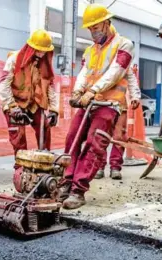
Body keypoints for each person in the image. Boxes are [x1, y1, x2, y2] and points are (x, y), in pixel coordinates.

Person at [58, 4, 135, 209]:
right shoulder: (91, 50)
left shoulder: (124, 45)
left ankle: (78, 189)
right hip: (89, 103)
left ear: (107, 22)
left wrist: (93, 91)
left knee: (94, 144)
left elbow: (116, 72)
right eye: (90, 29)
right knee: (72, 139)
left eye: (96, 27)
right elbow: (85, 72)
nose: (93, 32)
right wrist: (78, 91)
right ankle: (66, 182)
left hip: (108, 104)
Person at [0, 29, 59, 160]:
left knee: (44, 127)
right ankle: (20, 165)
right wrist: (12, 107)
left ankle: (44, 161)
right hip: (14, 103)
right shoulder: (14, 60)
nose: (42, 53)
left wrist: (54, 110)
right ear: (31, 47)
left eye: (44, 51)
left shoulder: (44, 64)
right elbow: (4, 84)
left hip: (34, 103)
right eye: (39, 50)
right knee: (18, 135)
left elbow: (50, 87)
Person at [95, 25, 141, 181]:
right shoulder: (99, 62)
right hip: (102, 104)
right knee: (101, 137)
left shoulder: (122, 62)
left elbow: (131, 79)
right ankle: (99, 167)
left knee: (118, 136)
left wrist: (135, 96)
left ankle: (115, 167)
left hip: (119, 105)